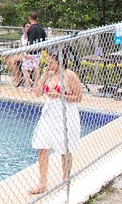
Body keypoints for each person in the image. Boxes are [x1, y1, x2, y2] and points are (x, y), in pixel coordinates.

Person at [29, 51, 83, 195]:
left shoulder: (69, 75)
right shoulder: (48, 75)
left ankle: (66, 179)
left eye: (51, 61)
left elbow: (78, 97)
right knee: (42, 145)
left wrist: (60, 95)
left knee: (65, 147)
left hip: (66, 113)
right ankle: (42, 182)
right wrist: (44, 75)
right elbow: (37, 93)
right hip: (49, 113)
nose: (48, 63)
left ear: (60, 62)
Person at [6, 22, 31, 87]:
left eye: (29, 26)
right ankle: (17, 76)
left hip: (28, 55)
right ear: (24, 28)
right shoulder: (22, 37)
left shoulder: (31, 36)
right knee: (8, 58)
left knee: (12, 60)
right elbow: (20, 48)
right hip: (22, 54)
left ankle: (17, 78)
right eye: (27, 27)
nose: (28, 28)